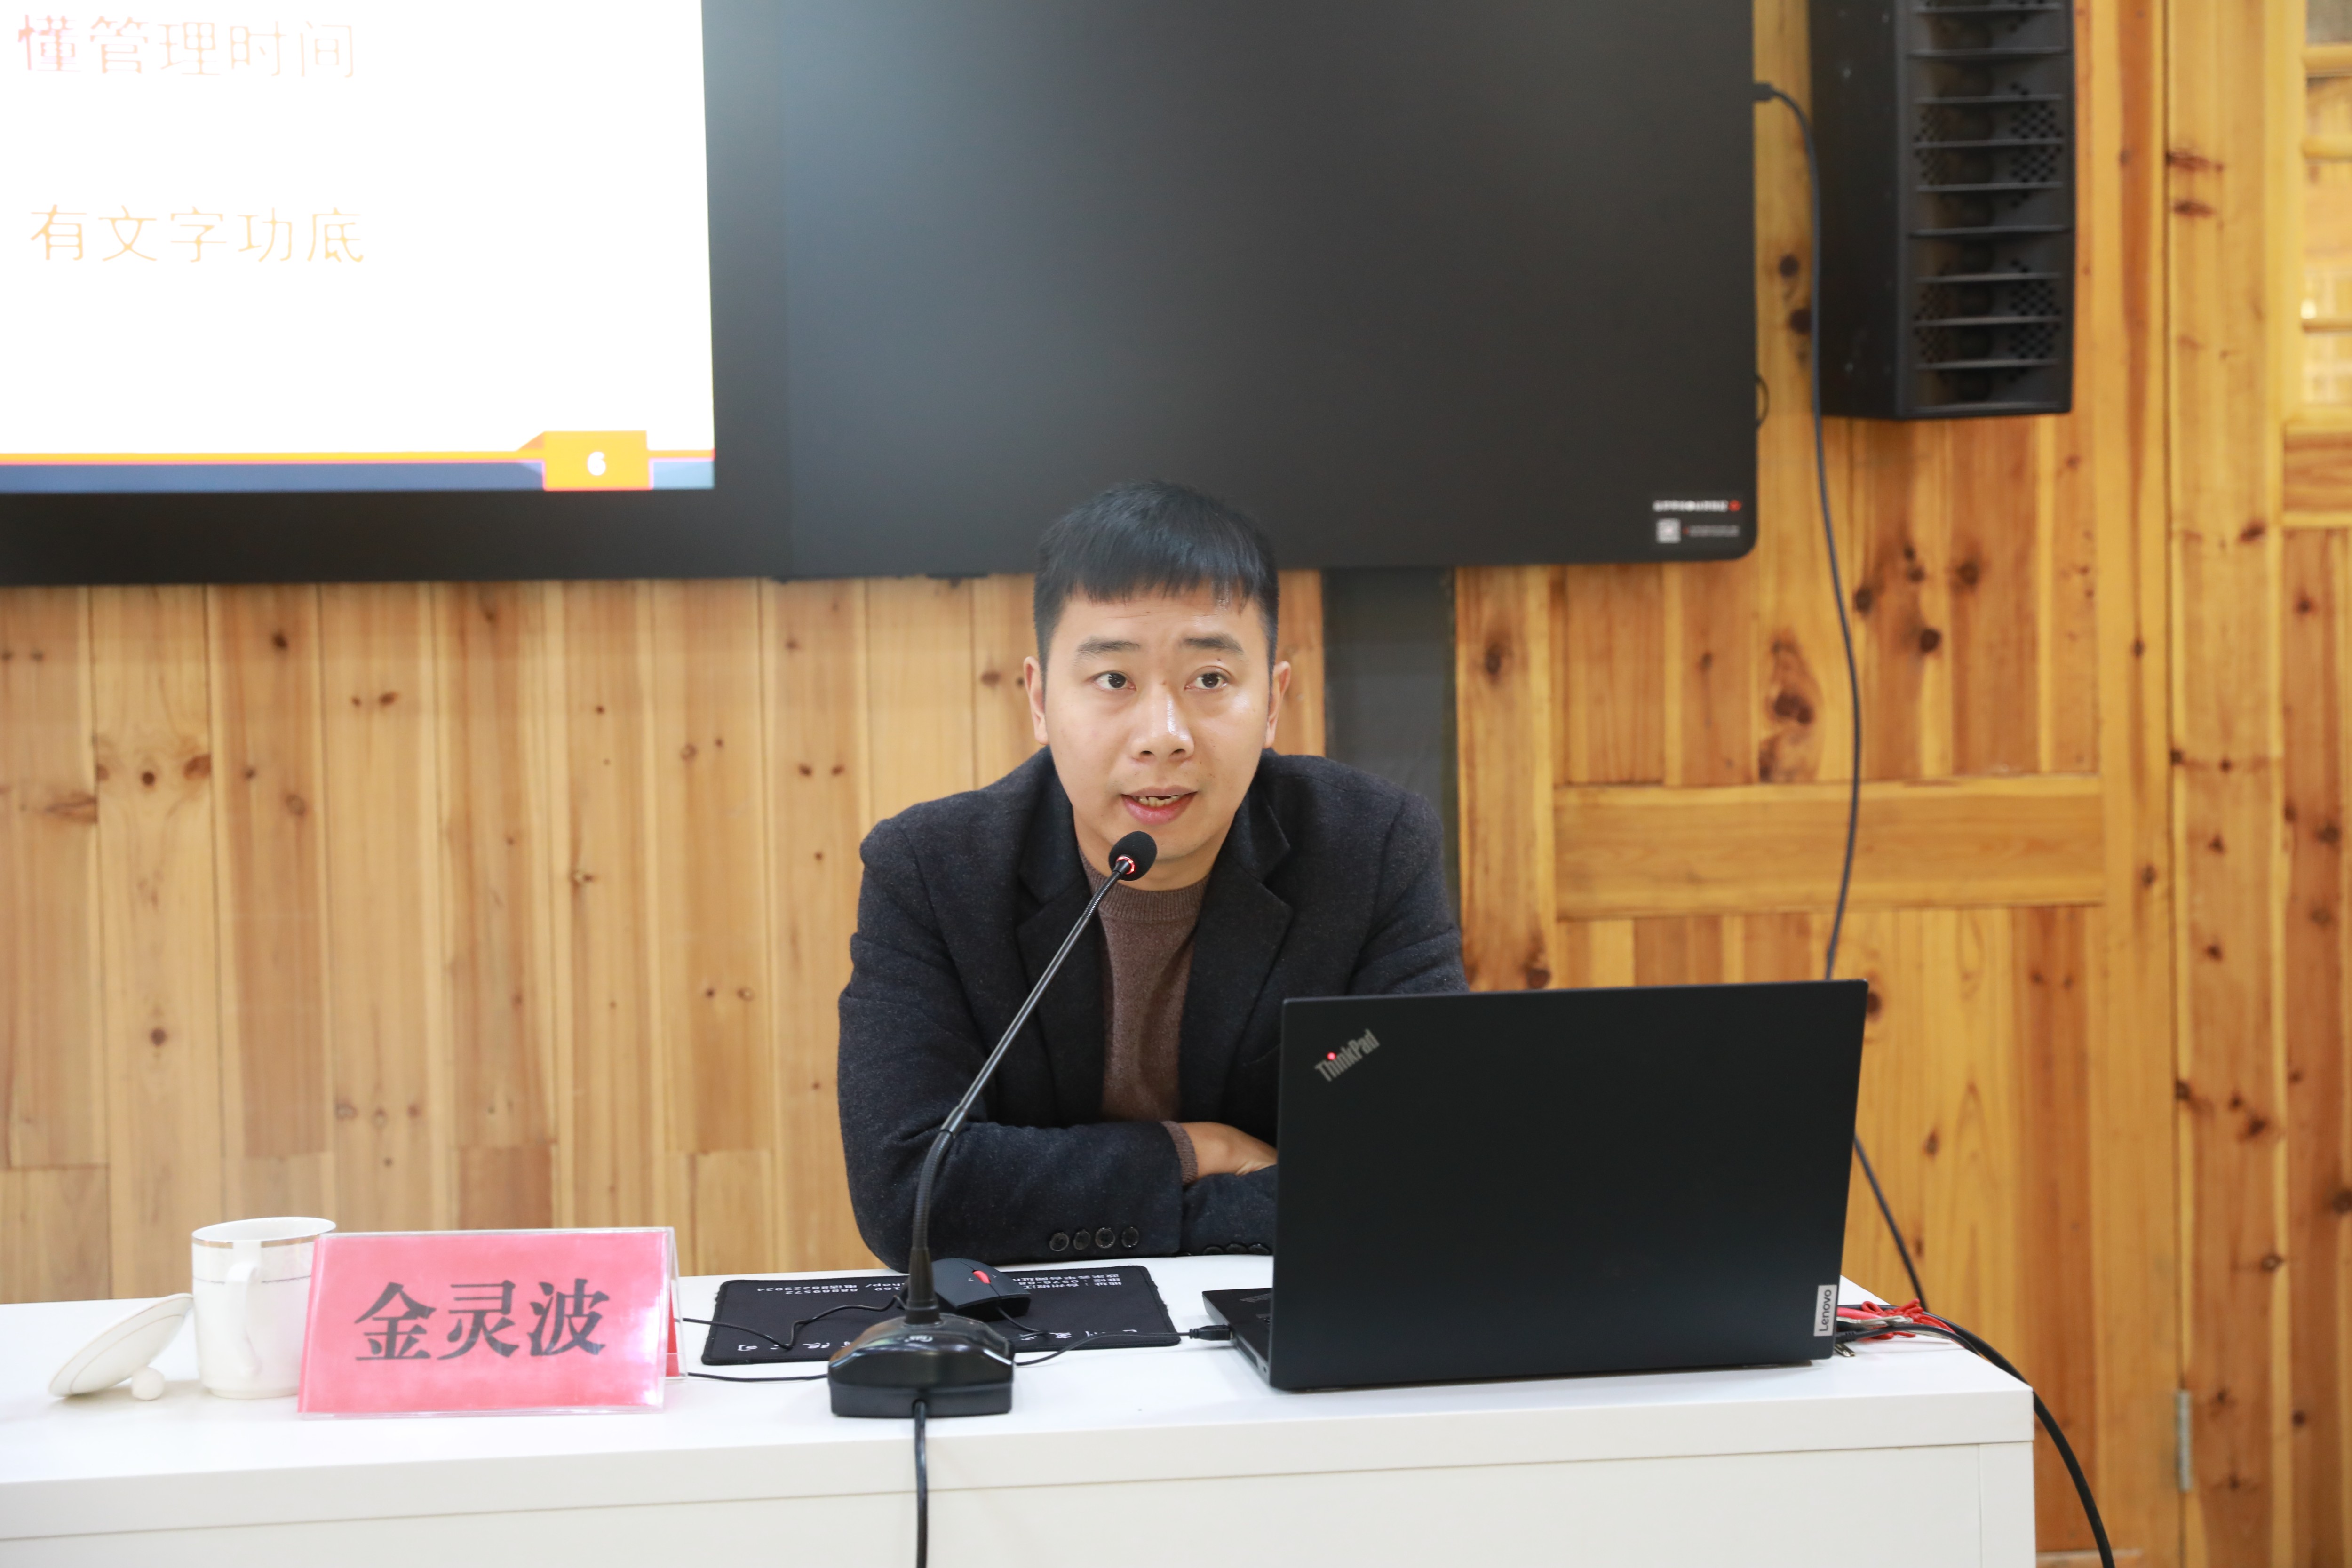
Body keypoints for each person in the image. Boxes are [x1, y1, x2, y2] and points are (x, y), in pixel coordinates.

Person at [837, 480, 1463, 1266]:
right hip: (1031, 1326)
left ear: (1273, 702)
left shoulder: (1371, 849)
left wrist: (1101, 1196)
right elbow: (909, 1191)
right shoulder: (932, 872)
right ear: (1040, 699)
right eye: (1114, 680)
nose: (1163, 736)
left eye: (1211, 679)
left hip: (1286, 1314)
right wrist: (1197, 1151)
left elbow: (1420, 1164)